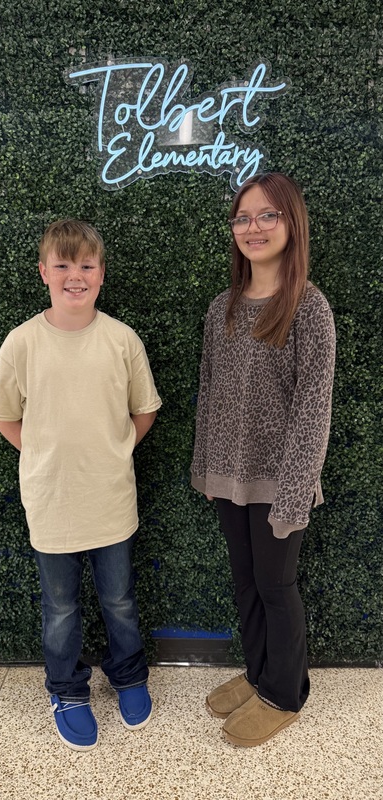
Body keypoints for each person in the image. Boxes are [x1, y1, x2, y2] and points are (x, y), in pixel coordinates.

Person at [0, 219, 161, 752]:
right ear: (43, 272)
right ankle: (66, 690)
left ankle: (128, 675)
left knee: (119, 600)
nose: (74, 276)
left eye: (86, 265)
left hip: (110, 499)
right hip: (51, 502)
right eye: (62, 265)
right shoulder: (20, 344)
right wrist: (45, 458)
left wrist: (111, 452)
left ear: (102, 274)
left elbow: (144, 410)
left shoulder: (121, 339)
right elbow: (6, 419)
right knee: (60, 607)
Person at [191, 172, 336, 747]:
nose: (254, 227)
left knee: (277, 586)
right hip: (229, 476)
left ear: (290, 223)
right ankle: (258, 675)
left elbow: (312, 410)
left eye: (267, 215)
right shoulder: (221, 307)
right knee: (246, 582)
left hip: (281, 482)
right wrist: (205, 467)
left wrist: (295, 494)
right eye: (244, 217)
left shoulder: (309, 308)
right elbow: (210, 391)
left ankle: (285, 692)